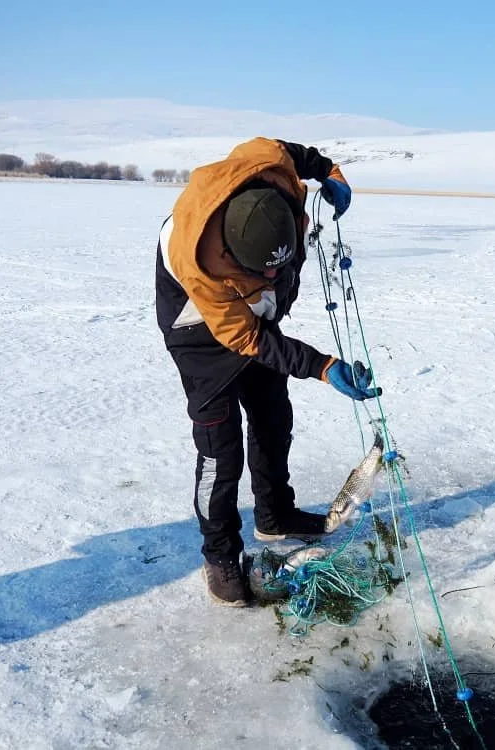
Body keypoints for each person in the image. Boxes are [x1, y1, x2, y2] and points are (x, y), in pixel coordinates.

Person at [155, 137, 380, 607]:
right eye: (265, 272)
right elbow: (248, 340)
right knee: (221, 454)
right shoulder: (201, 265)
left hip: (254, 316)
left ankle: (274, 515)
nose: (277, 278)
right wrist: (321, 366)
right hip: (201, 339)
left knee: (273, 418)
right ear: (237, 259)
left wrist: (331, 175)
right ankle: (219, 556)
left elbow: (297, 155)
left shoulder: (269, 166)